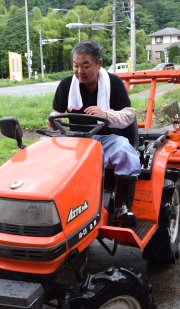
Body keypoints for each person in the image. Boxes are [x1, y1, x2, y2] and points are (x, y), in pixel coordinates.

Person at [47, 40, 141, 227]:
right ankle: (47, 202)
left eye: (85, 65)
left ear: (99, 63)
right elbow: (56, 113)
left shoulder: (113, 83)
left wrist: (106, 114)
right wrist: (53, 121)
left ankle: (122, 207)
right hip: (74, 139)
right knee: (43, 148)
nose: (80, 71)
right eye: (76, 65)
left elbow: (129, 115)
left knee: (125, 152)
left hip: (107, 138)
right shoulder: (66, 85)